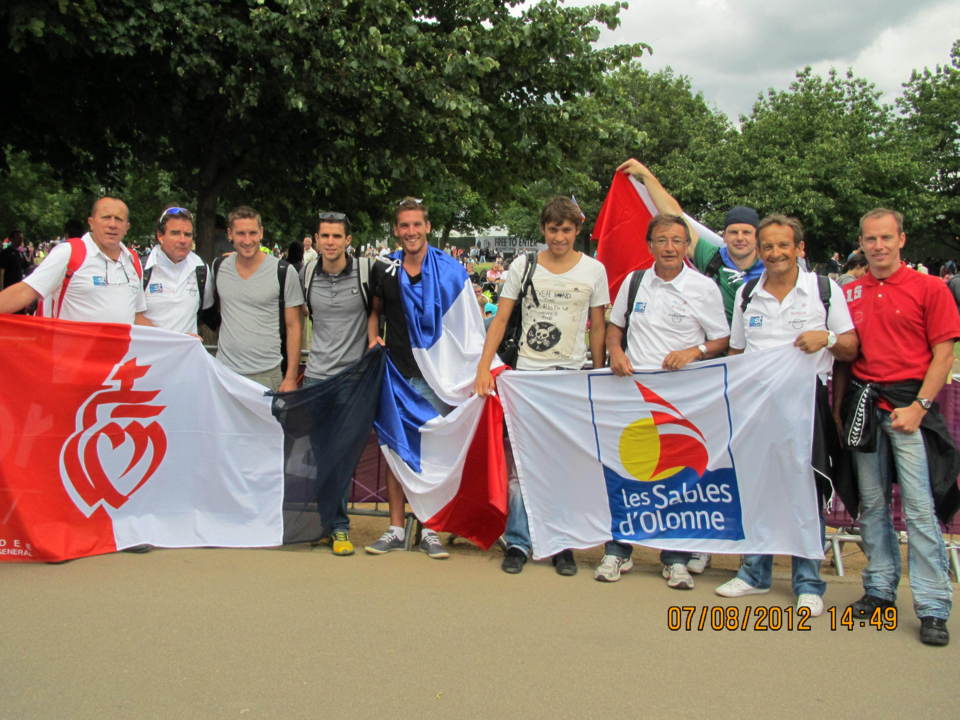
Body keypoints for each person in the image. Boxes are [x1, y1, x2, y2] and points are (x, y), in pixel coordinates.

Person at [712, 215, 857, 616]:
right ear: (760, 251)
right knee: (757, 491)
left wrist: (825, 338)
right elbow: (737, 354)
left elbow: (850, 345)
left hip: (806, 411)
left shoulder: (823, 291)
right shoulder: (747, 296)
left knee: (804, 495)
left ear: (800, 249)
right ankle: (754, 574)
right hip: (757, 412)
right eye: (768, 247)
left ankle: (808, 582)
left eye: (783, 245)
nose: (776, 253)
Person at [834, 208, 960, 647]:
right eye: (870, 239)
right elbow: (845, 356)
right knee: (870, 505)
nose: (878, 246)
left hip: (911, 409)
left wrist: (920, 407)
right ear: (861, 243)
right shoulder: (849, 292)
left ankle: (931, 605)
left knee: (921, 511)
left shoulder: (931, 288)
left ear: (902, 239)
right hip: (866, 407)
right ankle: (880, 589)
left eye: (886, 238)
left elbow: (943, 356)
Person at [475, 196, 609, 576]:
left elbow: (597, 326)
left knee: (562, 465)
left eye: (566, 230)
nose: (560, 237)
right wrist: (484, 368)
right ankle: (519, 539)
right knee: (521, 466)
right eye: (553, 230)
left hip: (569, 376)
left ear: (577, 230)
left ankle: (561, 542)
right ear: (544, 230)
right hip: (528, 376)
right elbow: (499, 320)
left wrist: (596, 376)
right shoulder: (524, 264)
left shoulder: (594, 270)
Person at [602, 213, 729, 587]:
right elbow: (615, 327)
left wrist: (695, 350)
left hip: (679, 402)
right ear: (650, 245)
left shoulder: (703, 287)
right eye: (662, 240)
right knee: (627, 472)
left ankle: (674, 557)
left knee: (677, 477)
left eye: (677, 240)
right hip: (633, 396)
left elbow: (721, 339)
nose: (670, 247)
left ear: (687, 246)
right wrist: (616, 353)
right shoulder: (635, 281)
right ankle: (617, 551)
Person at [364, 197, 468, 560]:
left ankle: (432, 530)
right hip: (397, 373)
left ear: (427, 227)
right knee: (397, 453)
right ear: (396, 230)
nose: (410, 232)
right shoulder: (384, 269)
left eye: (416, 225)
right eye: (404, 226)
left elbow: (465, 328)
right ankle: (395, 529)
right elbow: (374, 312)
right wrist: (371, 338)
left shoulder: (451, 271)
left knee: (434, 456)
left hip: (437, 378)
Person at [300, 211, 378, 556]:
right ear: (315, 240)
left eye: (336, 236)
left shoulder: (365, 272)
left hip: (353, 377)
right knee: (320, 454)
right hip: (316, 376)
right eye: (324, 236)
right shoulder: (305, 274)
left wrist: (374, 337)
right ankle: (327, 523)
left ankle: (340, 526)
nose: (330, 242)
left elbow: (377, 310)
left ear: (348, 240)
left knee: (341, 455)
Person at [617, 159, 763, 323]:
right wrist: (646, 175)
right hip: (721, 345)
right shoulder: (714, 259)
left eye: (747, 232)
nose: (740, 238)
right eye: (734, 232)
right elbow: (675, 214)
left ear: (757, 237)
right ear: (725, 236)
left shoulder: (773, 265)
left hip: (762, 345)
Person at [0, 197, 150, 325]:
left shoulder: (133, 261)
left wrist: (171, 343)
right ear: (91, 222)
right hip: (70, 357)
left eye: (119, 219)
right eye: (106, 217)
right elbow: (24, 292)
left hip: (119, 358)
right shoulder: (69, 252)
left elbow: (136, 315)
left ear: (127, 227)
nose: (112, 224)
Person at [214, 206, 303, 392]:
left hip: (267, 373)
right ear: (230, 234)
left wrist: (290, 377)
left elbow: (294, 326)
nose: (247, 240)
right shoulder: (219, 267)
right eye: (241, 234)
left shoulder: (284, 272)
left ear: (261, 232)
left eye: (252, 233)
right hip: (225, 372)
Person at [142, 207, 215, 335]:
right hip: (147, 353)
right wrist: (169, 341)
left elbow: (206, 313)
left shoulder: (201, 270)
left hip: (186, 354)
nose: (183, 240)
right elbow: (131, 315)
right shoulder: (142, 268)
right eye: (175, 233)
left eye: (187, 234)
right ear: (160, 236)